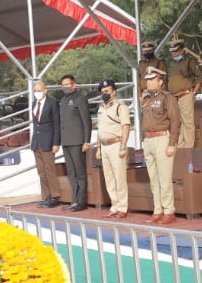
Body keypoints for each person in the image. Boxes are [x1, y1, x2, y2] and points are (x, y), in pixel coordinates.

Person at [140, 67, 182, 224]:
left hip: (162, 138)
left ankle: (169, 211)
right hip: (149, 140)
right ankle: (158, 210)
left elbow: (175, 121)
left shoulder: (167, 97)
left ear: (160, 82)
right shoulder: (146, 98)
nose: (149, 82)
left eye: (152, 80)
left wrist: (172, 143)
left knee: (164, 179)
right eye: (147, 80)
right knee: (153, 178)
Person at [95, 78, 131, 218]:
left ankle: (122, 207)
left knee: (119, 177)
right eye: (103, 91)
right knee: (109, 178)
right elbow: (100, 129)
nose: (104, 93)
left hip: (116, 144)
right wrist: (98, 148)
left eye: (107, 90)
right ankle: (115, 205)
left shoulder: (120, 107)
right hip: (104, 146)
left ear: (114, 92)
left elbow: (126, 127)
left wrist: (123, 146)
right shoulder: (101, 108)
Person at [57, 74, 92, 212]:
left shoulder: (80, 99)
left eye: (68, 84)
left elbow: (86, 121)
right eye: (63, 85)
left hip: (77, 141)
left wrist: (87, 141)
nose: (65, 87)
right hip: (66, 141)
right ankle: (74, 200)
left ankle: (82, 202)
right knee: (71, 173)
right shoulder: (63, 100)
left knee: (80, 173)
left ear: (74, 85)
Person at [29, 79, 63, 207]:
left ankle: (55, 197)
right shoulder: (34, 103)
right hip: (36, 142)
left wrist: (56, 143)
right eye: (35, 91)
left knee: (49, 170)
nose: (37, 93)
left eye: (39, 90)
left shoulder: (52, 103)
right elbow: (35, 123)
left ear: (45, 91)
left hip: (48, 142)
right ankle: (46, 196)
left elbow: (56, 124)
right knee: (41, 171)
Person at [165, 37, 202, 148]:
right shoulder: (171, 63)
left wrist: (194, 92)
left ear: (182, 50)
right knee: (177, 123)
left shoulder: (189, 61)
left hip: (185, 95)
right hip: (173, 97)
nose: (174, 53)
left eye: (176, 51)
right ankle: (180, 148)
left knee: (188, 123)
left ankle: (188, 149)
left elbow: (200, 76)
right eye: (172, 51)